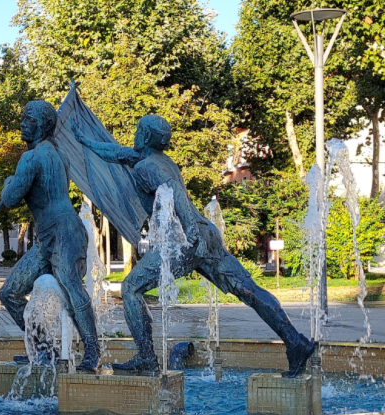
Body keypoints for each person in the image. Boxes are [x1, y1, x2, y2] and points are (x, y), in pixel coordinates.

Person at [72, 114, 314, 377]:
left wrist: (189, 232)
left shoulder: (147, 168)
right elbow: (116, 152)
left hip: (186, 239)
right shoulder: (155, 160)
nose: (135, 134)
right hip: (206, 234)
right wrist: (85, 141)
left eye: (138, 129)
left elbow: (173, 190)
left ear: (144, 136)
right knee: (249, 290)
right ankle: (295, 341)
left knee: (130, 288)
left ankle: (146, 357)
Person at [0, 100, 101, 372]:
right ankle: (43, 349)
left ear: (43, 126)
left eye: (28, 120)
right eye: (23, 118)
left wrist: (9, 182)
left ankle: (92, 350)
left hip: (64, 232)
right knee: (9, 293)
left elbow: (9, 198)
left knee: (70, 286)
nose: (22, 124)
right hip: (48, 238)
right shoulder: (59, 156)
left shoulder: (31, 158)